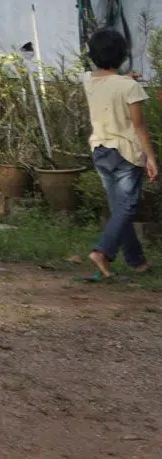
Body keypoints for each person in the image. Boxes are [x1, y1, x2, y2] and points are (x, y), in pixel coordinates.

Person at [81, 28, 156, 281]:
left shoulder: (88, 80)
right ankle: (102, 251)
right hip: (125, 152)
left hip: (100, 150)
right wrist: (151, 157)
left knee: (119, 208)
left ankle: (137, 262)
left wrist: (125, 79)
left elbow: (108, 83)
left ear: (93, 55)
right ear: (123, 55)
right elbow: (139, 126)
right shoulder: (129, 87)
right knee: (128, 206)